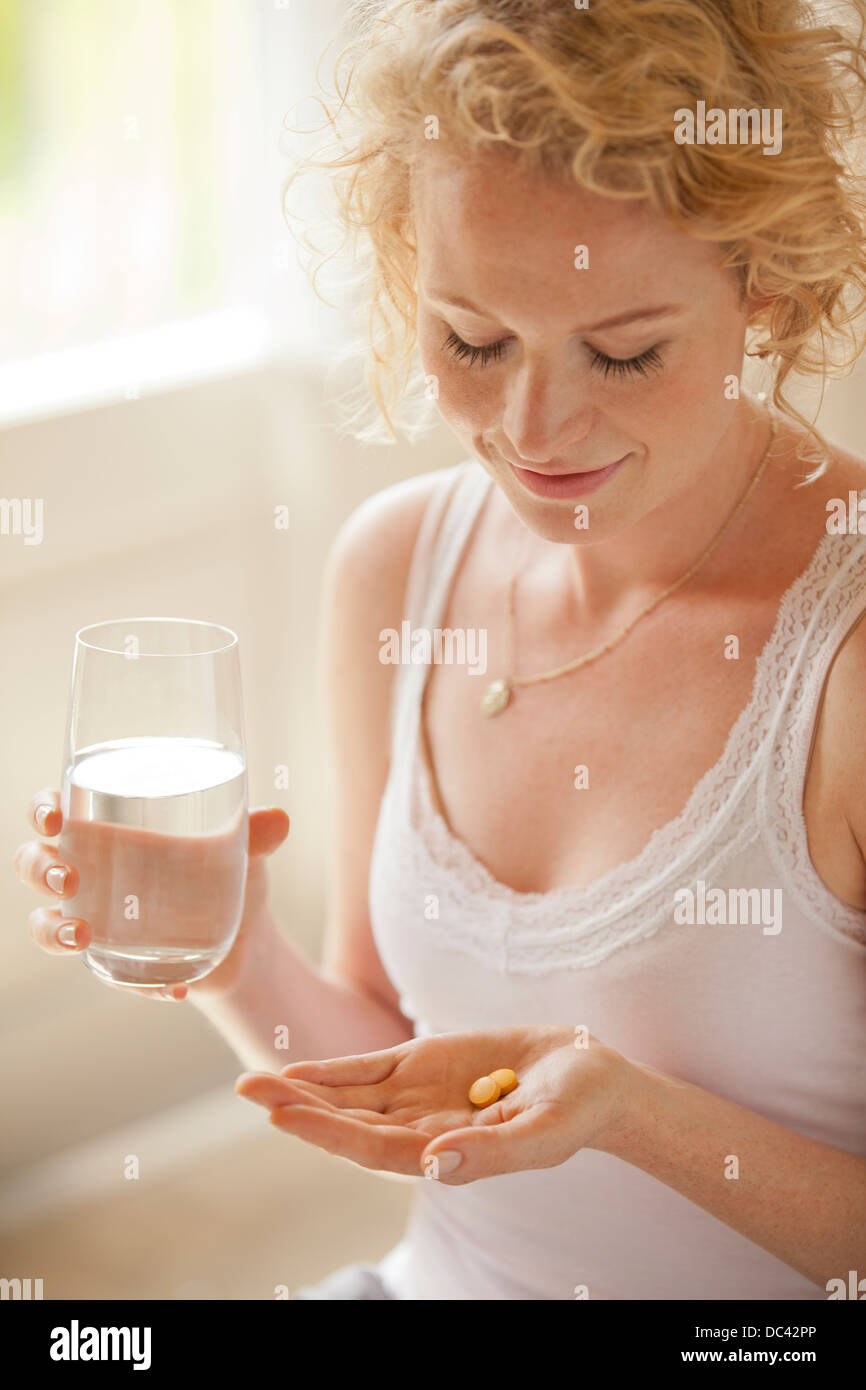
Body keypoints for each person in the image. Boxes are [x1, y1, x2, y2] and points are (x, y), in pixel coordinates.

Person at [15, 0, 866, 1300]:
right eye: (472, 337)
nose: (533, 424)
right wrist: (233, 943)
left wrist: (634, 1111)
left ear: (769, 293)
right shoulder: (395, 566)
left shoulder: (846, 655)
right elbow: (402, 1071)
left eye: (625, 351)